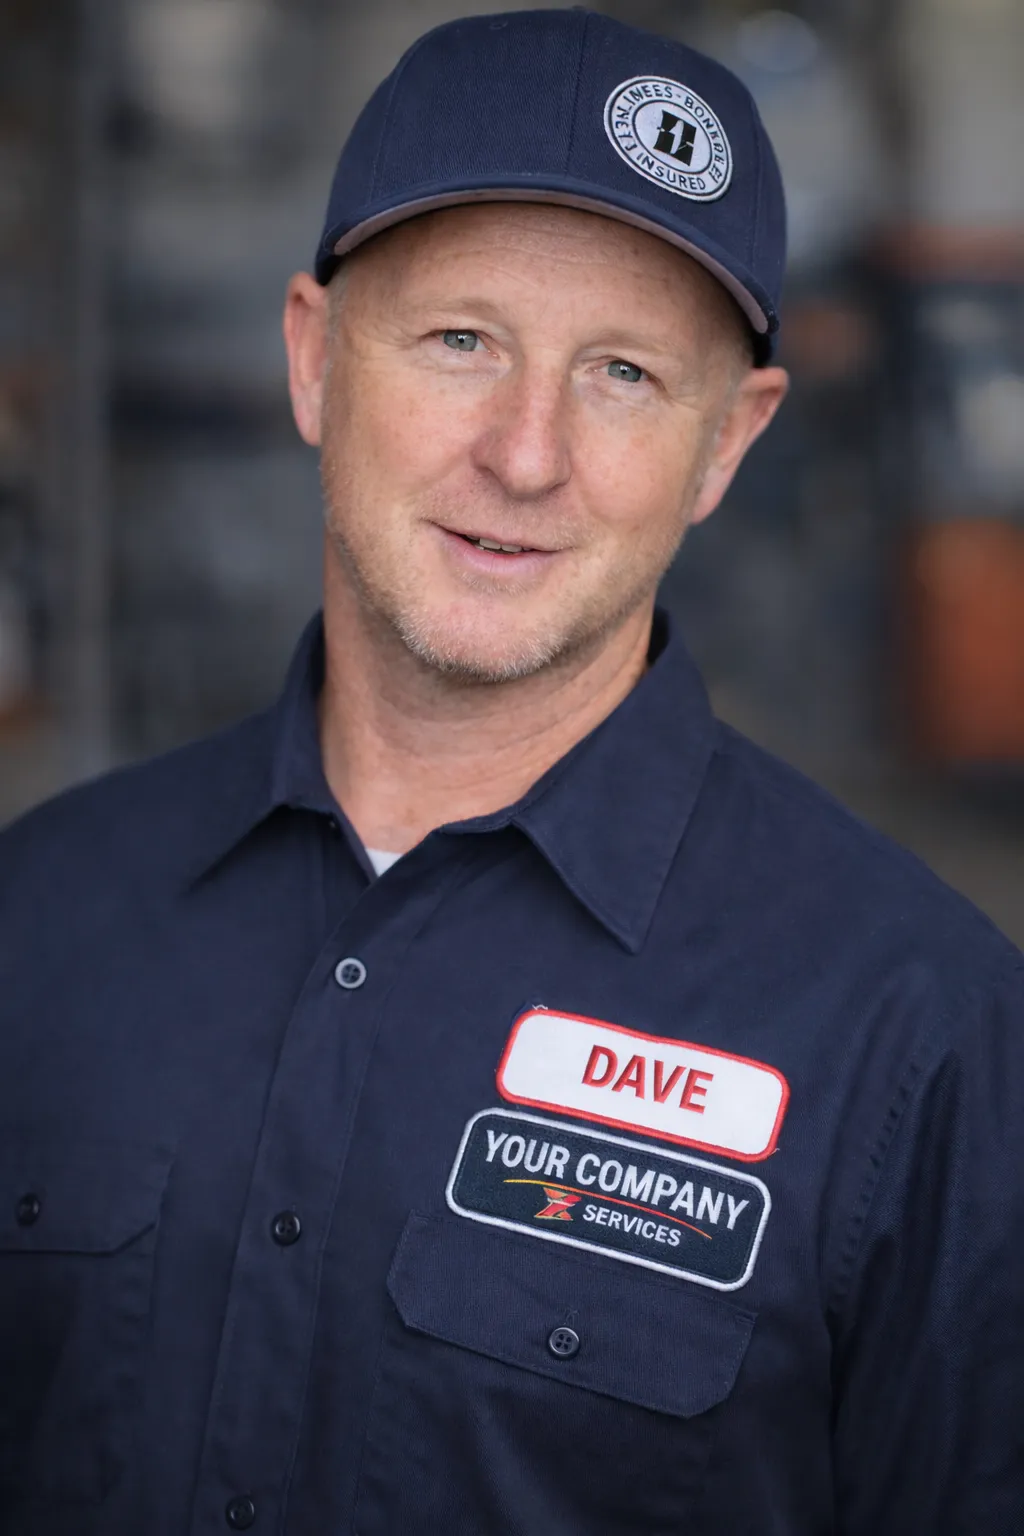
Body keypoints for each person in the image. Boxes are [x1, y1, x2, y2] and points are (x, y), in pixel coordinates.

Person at [0, 9, 1021, 1534]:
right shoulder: (39, 917)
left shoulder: (917, 1025)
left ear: (725, 448)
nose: (528, 454)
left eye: (621, 374)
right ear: (314, 359)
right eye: (462, 339)